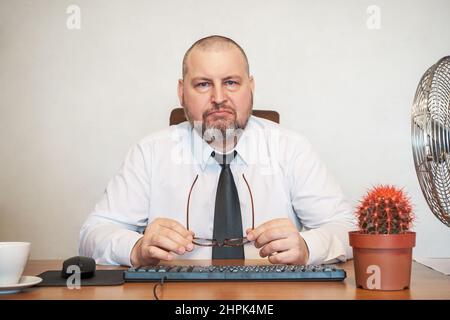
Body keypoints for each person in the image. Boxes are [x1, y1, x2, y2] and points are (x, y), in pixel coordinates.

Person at [79, 35, 355, 268]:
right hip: (175, 296)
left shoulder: (291, 148)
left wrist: (307, 246)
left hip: (272, 295)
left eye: (231, 82)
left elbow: (347, 229)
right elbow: (93, 234)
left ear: (251, 87)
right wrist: (137, 248)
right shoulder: (149, 153)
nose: (219, 97)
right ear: (181, 92)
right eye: (203, 84)